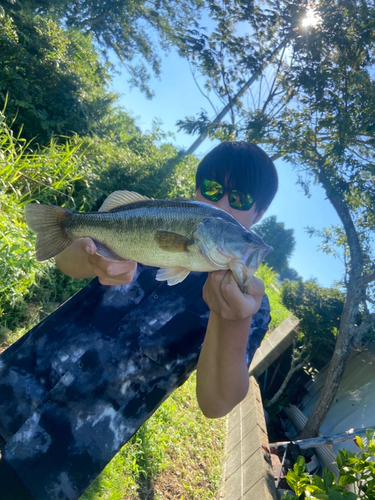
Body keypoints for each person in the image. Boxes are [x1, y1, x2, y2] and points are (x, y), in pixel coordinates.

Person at [0, 141, 278, 500]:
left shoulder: (251, 305)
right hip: (17, 377)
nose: (220, 204)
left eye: (239, 199)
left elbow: (217, 403)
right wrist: (89, 257)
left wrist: (232, 322)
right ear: (196, 188)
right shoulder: (151, 218)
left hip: (66, 447)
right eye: (211, 188)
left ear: (259, 212)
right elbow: (66, 263)